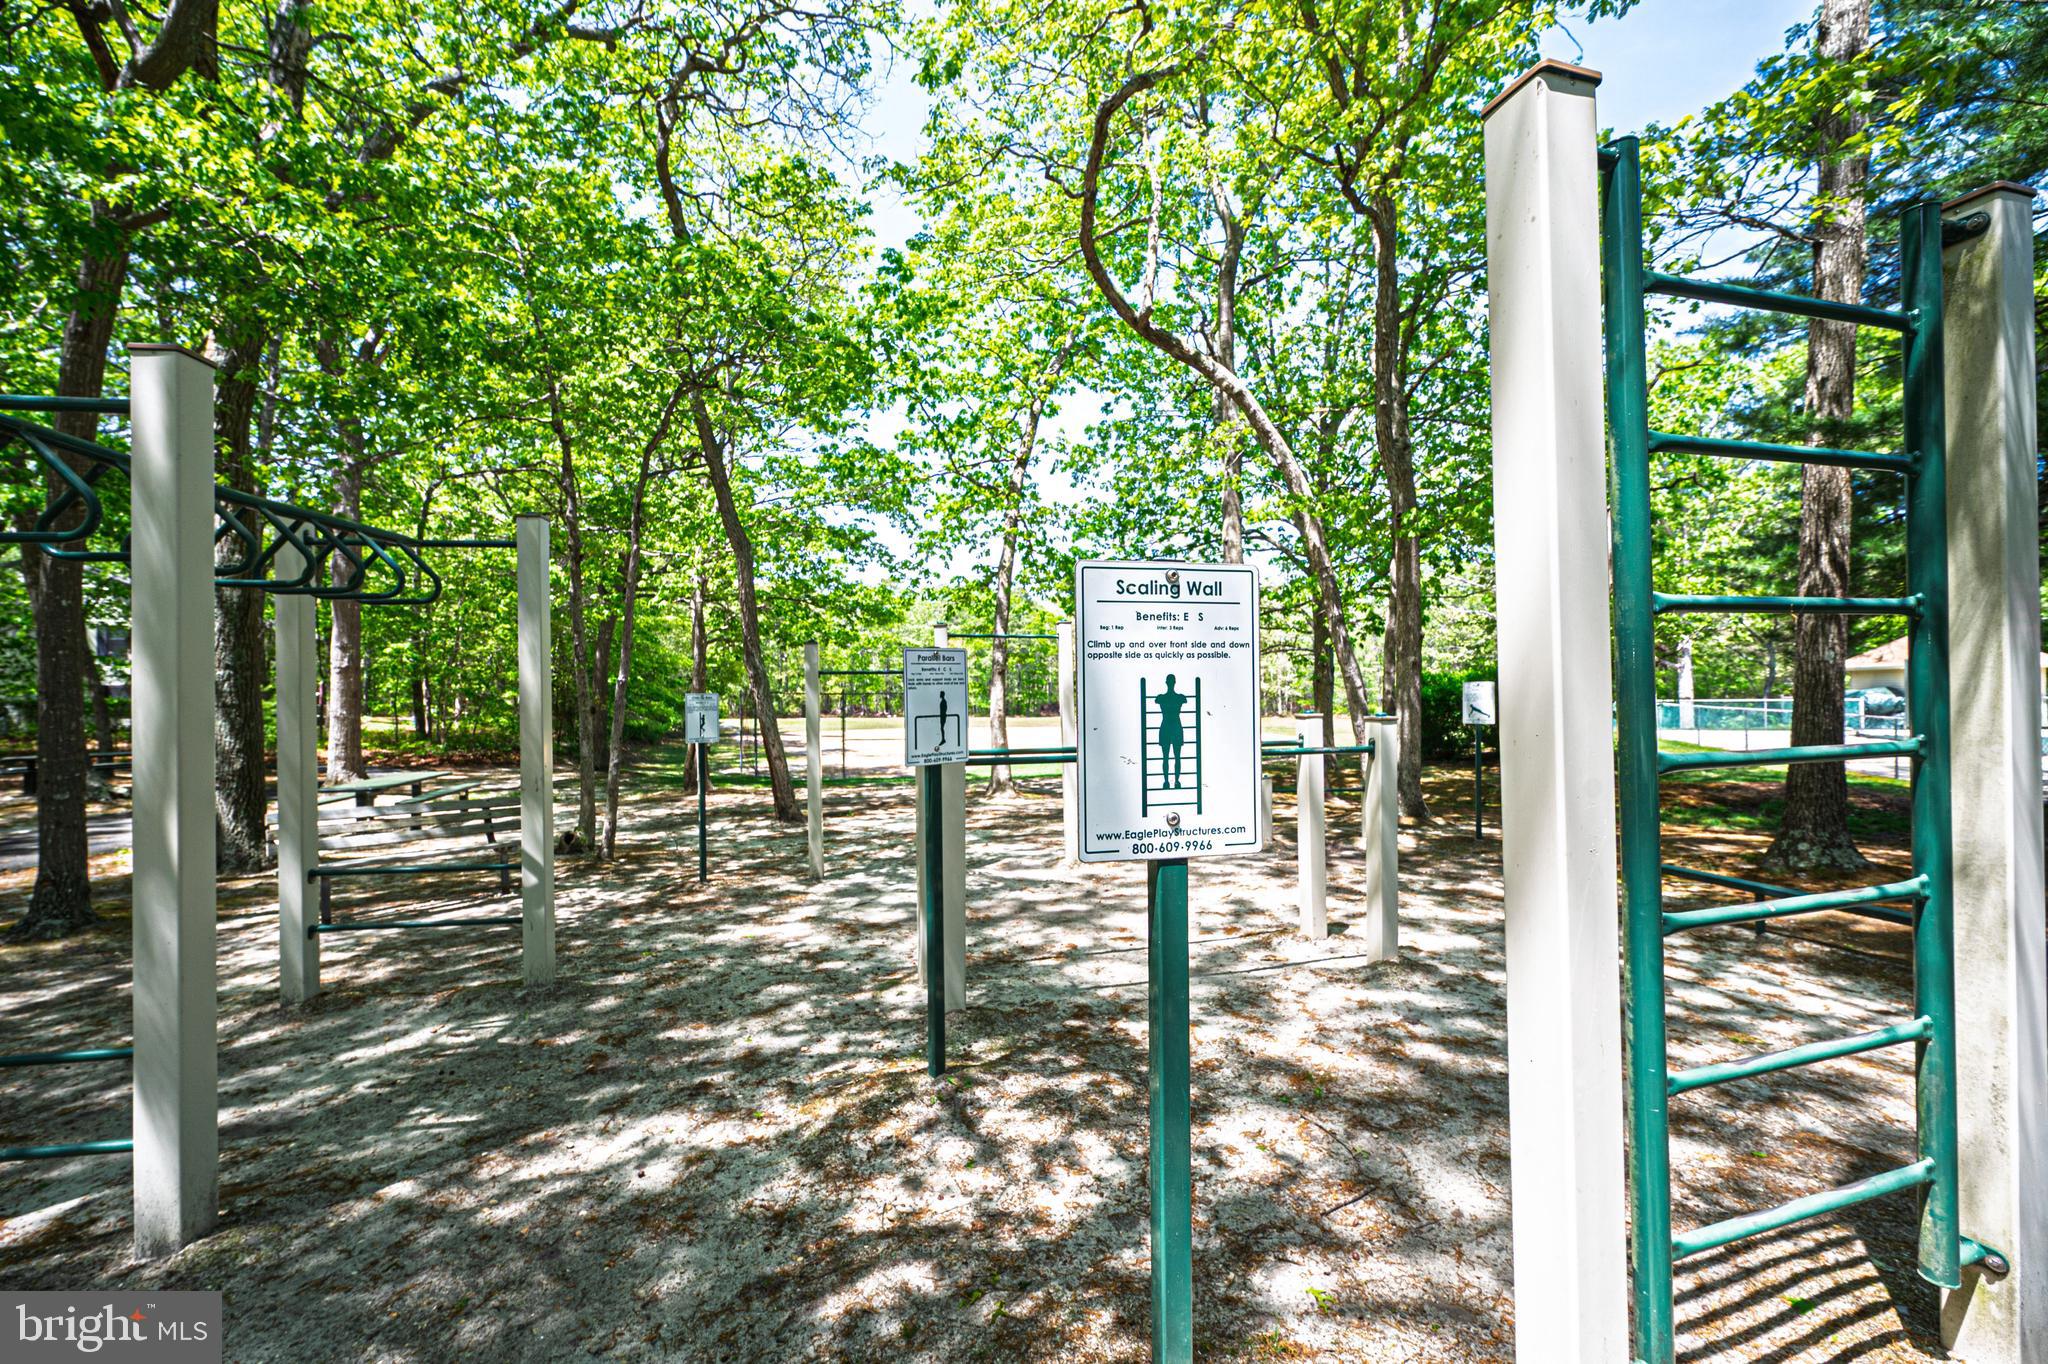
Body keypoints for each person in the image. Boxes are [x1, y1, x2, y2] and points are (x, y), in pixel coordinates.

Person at [1155, 674, 1188, 789]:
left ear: (1167, 683)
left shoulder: (1162, 698)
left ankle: (1169, 781)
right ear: (1174, 682)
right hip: (1174, 727)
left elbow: (1157, 700)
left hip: (1168, 727)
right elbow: (1184, 700)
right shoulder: (1178, 698)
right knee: (1174, 757)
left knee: (1168, 757)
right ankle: (1173, 781)